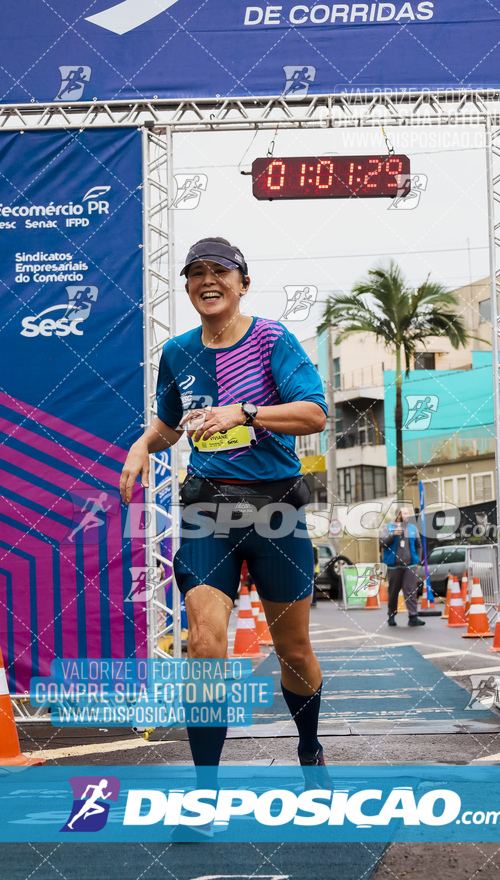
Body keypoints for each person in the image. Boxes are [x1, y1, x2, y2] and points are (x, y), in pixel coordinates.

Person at [120, 236, 328, 790]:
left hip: (275, 511)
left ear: (242, 283)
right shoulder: (178, 352)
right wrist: (144, 444)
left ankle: (309, 747)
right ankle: (204, 790)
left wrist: (247, 411)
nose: (207, 281)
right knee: (206, 642)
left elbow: (314, 415)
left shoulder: (272, 340)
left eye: (220, 272)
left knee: (294, 650)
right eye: (196, 273)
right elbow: (170, 425)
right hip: (207, 509)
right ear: (187, 286)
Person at [380, 506, 425, 627]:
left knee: (411, 591)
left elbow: (418, 545)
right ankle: (391, 616)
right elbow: (381, 543)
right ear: (398, 515)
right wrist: (393, 535)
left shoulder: (412, 528)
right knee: (393, 592)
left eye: (408, 513)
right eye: (405, 513)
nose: (408, 515)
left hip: (410, 566)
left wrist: (418, 561)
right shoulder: (389, 528)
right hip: (394, 566)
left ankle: (413, 617)